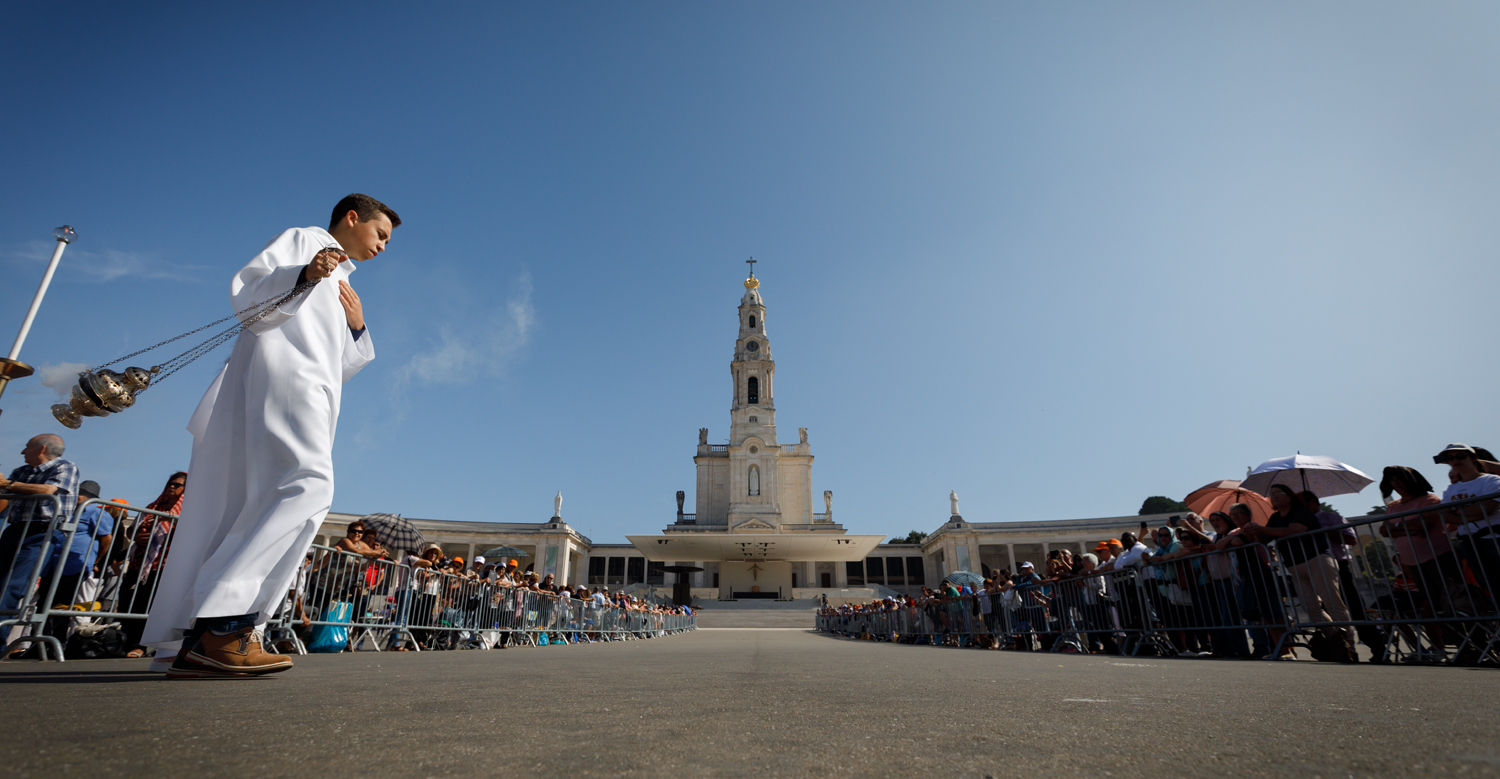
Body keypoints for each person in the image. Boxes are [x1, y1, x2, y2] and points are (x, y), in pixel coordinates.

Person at [143, 194, 399, 679]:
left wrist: (358, 326)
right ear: (351, 218)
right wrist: (303, 274)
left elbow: (343, 364)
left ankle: (201, 636)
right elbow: (250, 298)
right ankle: (225, 626)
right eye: (380, 233)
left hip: (314, 391)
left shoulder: (343, 282)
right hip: (283, 381)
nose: (384, 246)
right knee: (308, 486)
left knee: (261, 500)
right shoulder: (307, 242)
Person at [1247, 484, 1356, 662]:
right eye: (1271, 494)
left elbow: (1295, 530)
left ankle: (1350, 647)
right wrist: (1254, 531)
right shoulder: (1275, 517)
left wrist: (1262, 529)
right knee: (1310, 607)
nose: (1273, 497)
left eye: (1278, 493)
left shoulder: (1301, 511)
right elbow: (1265, 539)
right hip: (1294, 565)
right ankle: (1335, 642)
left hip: (1316, 559)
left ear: (1289, 496)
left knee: (1332, 602)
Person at [0, 435, 80, 621]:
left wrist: (7, 484)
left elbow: (48, 490)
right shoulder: (21, 471)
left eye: (27, 447)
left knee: (12, 586)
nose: (22, 451)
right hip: (13, 530)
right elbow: (4, 498)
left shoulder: (65, 466)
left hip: (41, 533)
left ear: (41, 449)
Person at [1300, 490, 1382, 655]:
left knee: (1353, 606)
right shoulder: (1302, 523)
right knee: (1327, 609)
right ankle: (1340, 646)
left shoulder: (1331, 518)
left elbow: (1351, 539)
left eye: (1301, 502)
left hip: (1338, 565)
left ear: (1313, 502)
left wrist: (1325, 532)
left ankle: (1376, 645)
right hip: (1315, 567)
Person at [39, 480, 113, 645]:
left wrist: (97, 560)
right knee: (43, 602)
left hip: (74, 564)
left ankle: (54, 642)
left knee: (63, 604)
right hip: (52, 562)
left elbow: (106, 538)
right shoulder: (66, 510)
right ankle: (38, 641)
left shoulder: (97, 512)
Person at [1434, 444, 1500, 615]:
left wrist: (1459, 512)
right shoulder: (1452, 488)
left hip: (1493, 539)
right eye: (1451, 458)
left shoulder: (1491, 481)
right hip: (1470, 541)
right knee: (1490, 585)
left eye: (1461, 456)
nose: (1456, 461)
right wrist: (1471, 513)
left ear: (1473, 458)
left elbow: (1485, 510)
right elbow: (1446, 516)